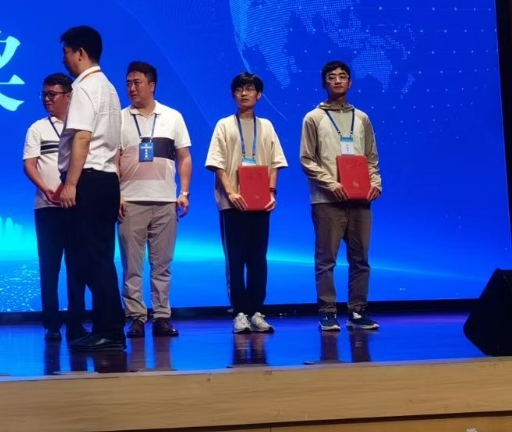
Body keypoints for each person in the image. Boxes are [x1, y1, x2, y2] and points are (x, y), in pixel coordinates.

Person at [56, 26, 125, 352]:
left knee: (92, 257)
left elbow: (82, 138)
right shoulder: (109, 87)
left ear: (80, 52)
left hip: (90, 179)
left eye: (67, 52)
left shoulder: (84, 88)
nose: (64, 59)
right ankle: (105, 327)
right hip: (108, 179)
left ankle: (109, 330)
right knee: (101, 256)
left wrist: (71, 183)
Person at [300, 60, 382, 331]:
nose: (337, 80)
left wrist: (375, 183)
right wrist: (331, 184)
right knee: (326, 260)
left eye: (343, 76)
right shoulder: (314, 118)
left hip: (360, 199)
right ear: (324, 83)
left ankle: (357, 311)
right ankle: (327, 312)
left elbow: (371, 157)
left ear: (350, 82)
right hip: (327, 200)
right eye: (332, 77)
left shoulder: (362, 118)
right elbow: (307, 159)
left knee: (361, 259)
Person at [204, 73, 288, 334]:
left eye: (250, 89)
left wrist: (271, 192)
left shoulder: (267, 126)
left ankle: (257, 312)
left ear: (258, 95)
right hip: (233, 204)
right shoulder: (224, 125)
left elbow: (275, 162)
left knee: (258, 259)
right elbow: (217, 163)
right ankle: (239, 312)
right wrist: (231, 193)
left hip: (260, 203)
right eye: (239, 89)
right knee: (235, 258)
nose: (244, 93)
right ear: (233, 94)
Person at [116, 61, 192, 338]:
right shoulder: (119, 119)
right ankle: (135, 318)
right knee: (132, 266)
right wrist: (117, 195)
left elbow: (184, 157)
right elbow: (113, 160)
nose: (131, 88)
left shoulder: (172, 117)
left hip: (165, 202)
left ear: (152, 85)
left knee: (162, 265)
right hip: (130, 202)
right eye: (128, 83)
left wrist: (184, 192)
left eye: (137, 82)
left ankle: (161, 316)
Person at [22, 72, 87, 342]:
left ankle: (76, 322)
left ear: (68, 96)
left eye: (53, 94)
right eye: (44, 95)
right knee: (49, 267)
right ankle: (51, 323)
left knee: (77, 267)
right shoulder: (37, 128)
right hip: (46, 208)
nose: (47, 99)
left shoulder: (81, 128)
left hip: (75, 206)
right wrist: (46, 189)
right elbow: (29, 164)